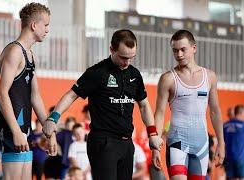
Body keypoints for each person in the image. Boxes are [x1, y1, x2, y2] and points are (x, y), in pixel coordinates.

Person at [45, 29, 162, 180]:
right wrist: (53, 118)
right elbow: (71, 95)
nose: (126, 62)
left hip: (126, 144)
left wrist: (152, 133)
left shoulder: (135, 74)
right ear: (111, 49)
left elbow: (144, 105)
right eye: (123, 57)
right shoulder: (97, 73)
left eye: (131, 58)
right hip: (103, 142)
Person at [152, 29, 225, 179]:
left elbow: (215, 111)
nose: (179, 54)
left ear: (194, 48)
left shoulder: (209, 77)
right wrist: (155, 146)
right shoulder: (168, 79)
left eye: (183, 49)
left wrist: (221, 143)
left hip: (201, 144)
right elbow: (159, 113)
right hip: (177, 143)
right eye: (175, 51)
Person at [0, 2, 57, 179]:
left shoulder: (29, 53)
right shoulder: (14, 51)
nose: (47, 30)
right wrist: (15, 131)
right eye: (45, 25)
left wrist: (49, 130)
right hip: (12, 124)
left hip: (24, 125)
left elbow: (35, 96)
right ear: (33, 25)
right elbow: (1, 93)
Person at [223, 104, 244, 180]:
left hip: (229, 159)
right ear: (242, 112)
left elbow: (222, 140)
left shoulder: (225, 125)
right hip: (242, 160)